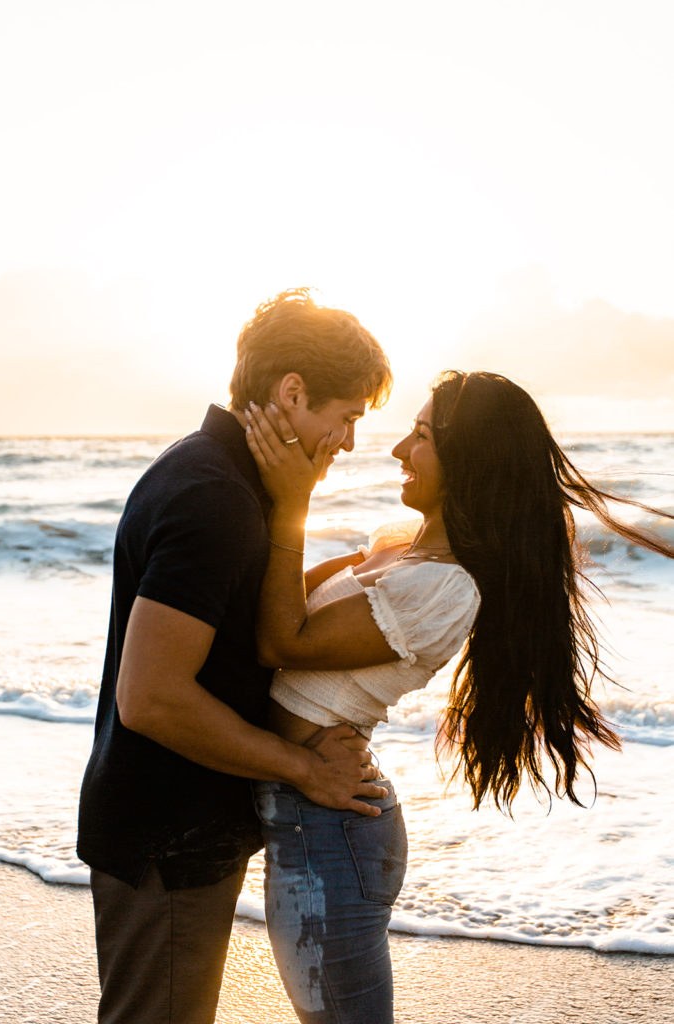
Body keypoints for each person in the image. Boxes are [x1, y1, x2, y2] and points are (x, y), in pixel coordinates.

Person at [244, 369, 674, 1024]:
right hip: (310, 809)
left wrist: (290, 501)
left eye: (419, 436)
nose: (396, 451)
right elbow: (273, 605)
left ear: (466, 459)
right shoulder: (398, 548)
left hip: (328, 830)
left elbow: (281, 641)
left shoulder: (445, 589)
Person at [76, 288, 393, 1024]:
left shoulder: (219, 475)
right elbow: (151, 695)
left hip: (169, 824)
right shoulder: (212, 495)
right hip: (168, 835)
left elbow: (244, 621)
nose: (348, 441)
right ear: (292, 392)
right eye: (345, 416)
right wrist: (304, 769)